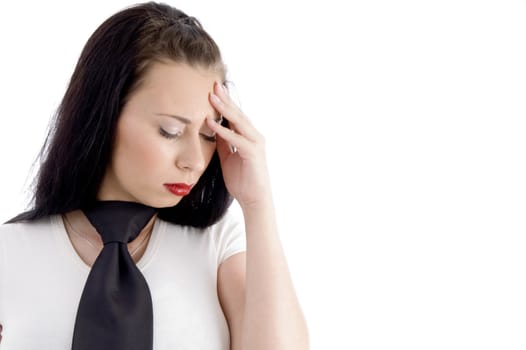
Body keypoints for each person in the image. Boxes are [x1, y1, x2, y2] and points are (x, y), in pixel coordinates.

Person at [0, 2, 309, 349]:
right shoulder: (9, 251)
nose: (194, 160)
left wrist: (258, 203)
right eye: (170, 130)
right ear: (104, 113)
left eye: (209, 136)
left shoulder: (218, 246)